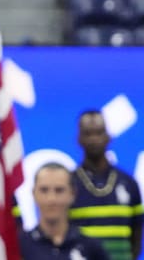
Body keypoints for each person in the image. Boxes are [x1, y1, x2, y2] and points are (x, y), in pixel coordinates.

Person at [70, 110, 143, 260]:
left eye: (98, 133)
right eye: (88, 134)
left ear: (108, 137)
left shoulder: (129, 183)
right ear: (79, 139)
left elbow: (137, 236)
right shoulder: (68, 184)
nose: (94, 139)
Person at [19, 162, 109, 259]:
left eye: (59, 190)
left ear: (72, 194)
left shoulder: (91, 247)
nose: (51, 199)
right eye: (44, 190)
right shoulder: (20, 245)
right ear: (33, 194)